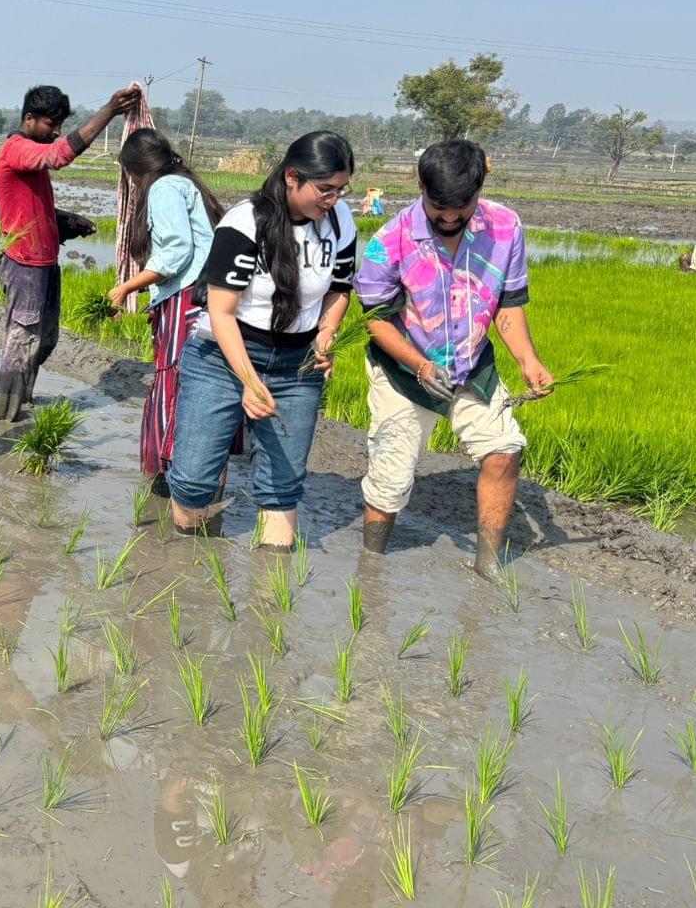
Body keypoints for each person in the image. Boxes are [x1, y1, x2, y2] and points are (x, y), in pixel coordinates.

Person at [354, 139, 550, 580]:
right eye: (437, 205)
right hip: (405, 371)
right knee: (390, 479)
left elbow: (509, 304)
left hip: (472, 366)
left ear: (480, 188)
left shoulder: (505, 227)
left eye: (460, 207)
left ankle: (488, 567)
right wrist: (422, 366)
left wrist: (528, 360)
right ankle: (369, 567)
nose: (447, 216)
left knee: (504, 451)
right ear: (419, 185)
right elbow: (376, 321)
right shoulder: (391, 240)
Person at [168, 131, 359, 551]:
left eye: (341, 190)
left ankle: (273, 597)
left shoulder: (341, 220)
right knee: (195, 480)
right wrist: (250, 382)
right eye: (325, 190)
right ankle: (183, 569)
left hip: (297, 364)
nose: (333, 199)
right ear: (293, 176)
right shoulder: (244, 222)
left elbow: (339, 288)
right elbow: (220, 312)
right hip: (223, 355)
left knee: (282, 484)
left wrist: (325, 337)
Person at [0, 83, 140, 421]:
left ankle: (22, 404)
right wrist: (110, 111)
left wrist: (64, 223)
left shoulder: (31, 161)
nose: (56, 131)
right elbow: (59, 155)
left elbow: (29, 208)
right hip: (24, 266)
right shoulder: (17, 150)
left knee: (44, 340)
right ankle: (4, 421)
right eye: (51, 124)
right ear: (29, 119)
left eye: (60, 124)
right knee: (21, 344)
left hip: (46, 262)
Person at [106, 130, 226, 505]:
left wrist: (127, 286)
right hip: (206, 296)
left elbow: (175, 252)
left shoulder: (163, 189)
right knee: (208, 385)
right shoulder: (187, 183)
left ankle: (176, 474)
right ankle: (205, 476)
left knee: (178, 381)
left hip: (188, 300)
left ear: (135, 170)